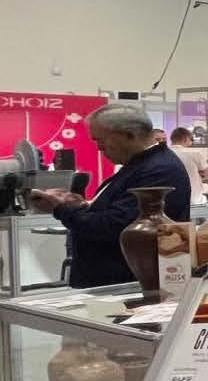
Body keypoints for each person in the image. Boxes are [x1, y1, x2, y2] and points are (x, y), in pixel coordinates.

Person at [28, 102, 190, 288]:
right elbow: (119, 214)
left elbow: (116, 226)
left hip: (127, 285)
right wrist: (82, 206)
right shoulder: (141, 165)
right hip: (112, 283)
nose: (99, 148)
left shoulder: (159, 169)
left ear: (129, 135)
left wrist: (61, 209)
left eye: (101, 140)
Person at [169, 126, 208, 205]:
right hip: (194, 199)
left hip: (171, 201)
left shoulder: (162, 154)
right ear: (186, 139)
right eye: (191, 139)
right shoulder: (195, 153)